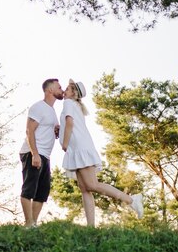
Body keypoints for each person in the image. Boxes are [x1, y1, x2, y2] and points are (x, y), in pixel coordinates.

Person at [59, 79, 143, 226]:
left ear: (73, 93)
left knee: (92, 185)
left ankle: (131, 200)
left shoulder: (68, 103)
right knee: (85, 189)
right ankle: (91, 227)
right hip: (79, 148)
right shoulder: (75, 105)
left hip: (80, 148)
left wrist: (64, 144)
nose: (64, 91)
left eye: (67, 89)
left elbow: (70, 123)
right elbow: (69, 125)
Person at [19, 78, 64, 227]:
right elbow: (29, 130)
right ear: (49, 90)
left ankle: (33, 224)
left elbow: (46, 130)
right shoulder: (38, 107)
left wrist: (56, 131)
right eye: (59, 87)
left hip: (45, 155)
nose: (61, 90)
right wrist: (35, 154)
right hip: (33, 152)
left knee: (42, 191)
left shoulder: (52, 111)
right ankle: (28, 223)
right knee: (29, 189)